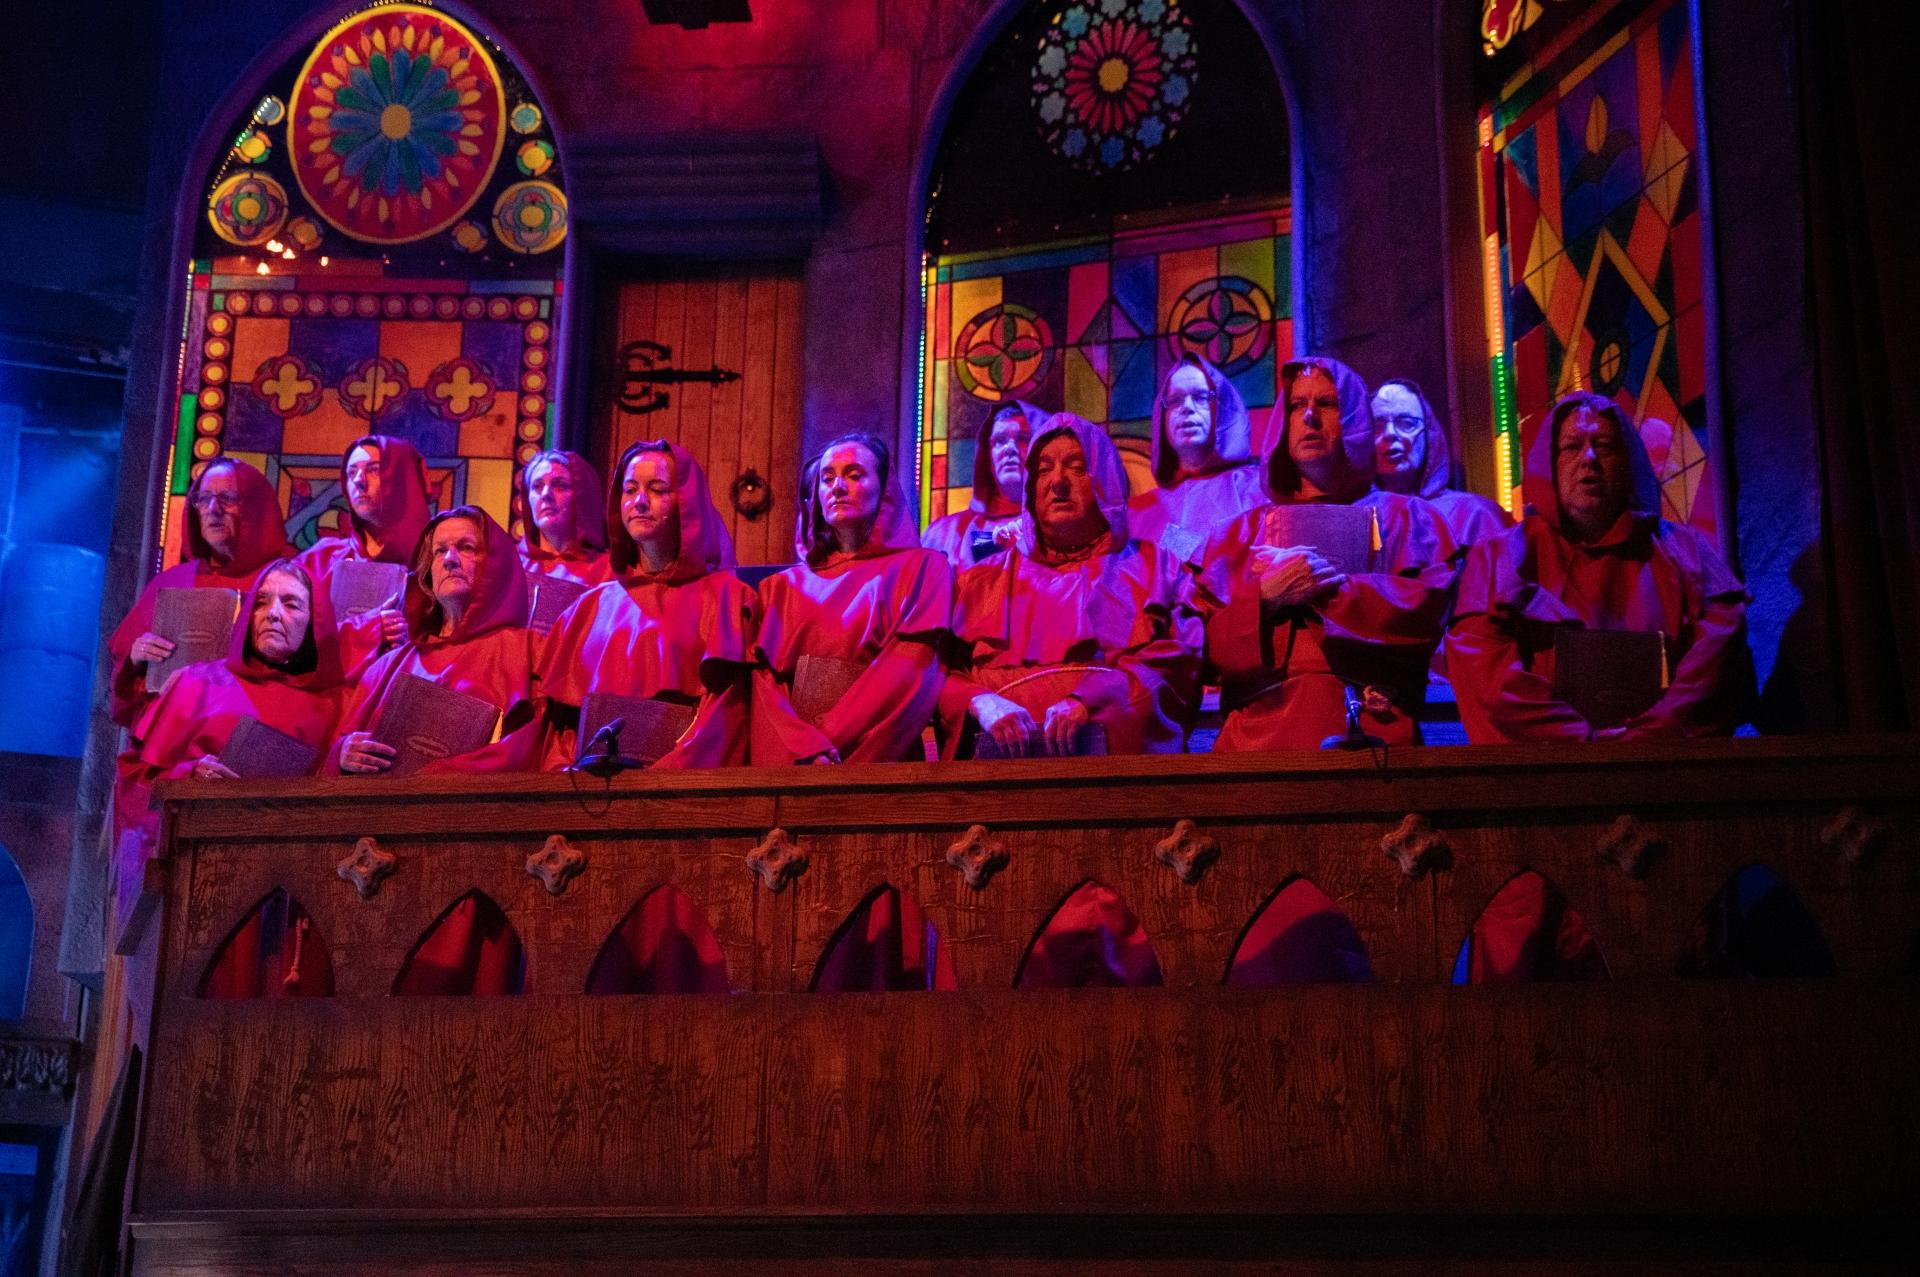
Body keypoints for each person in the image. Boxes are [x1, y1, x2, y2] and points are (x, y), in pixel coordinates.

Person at [1445, 390, 1752, 742]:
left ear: (1627, 461)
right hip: (1547, 767)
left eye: (1604, 446)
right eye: (1572, 447)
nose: (1589, 458)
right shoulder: (1499, 557)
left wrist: (1650, 737)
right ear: (1549, 462)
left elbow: (1716, 659)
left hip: (1663, 762)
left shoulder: (1686, 552)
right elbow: (1486, 673)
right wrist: (1579, 740)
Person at [1191, 356, 1458, 750]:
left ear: (1354, 417)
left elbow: (1424, 615)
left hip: (1375, 737)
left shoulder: (1410, 519)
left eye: (1327, 404)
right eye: (1297, 405)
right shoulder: (1235, 535)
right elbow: (1200, 649)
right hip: (1255, 744)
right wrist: (1265, 599)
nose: (1310, 417)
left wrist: (1323, 586)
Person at [944, 413, 1200, 757]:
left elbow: (1177, 661)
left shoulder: (1158, 567)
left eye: (1077, 468)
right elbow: (941, 674)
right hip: (996, 773)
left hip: (1119, 770)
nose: (1057, 482)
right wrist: (982, 701)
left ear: (1105, 481)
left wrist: (1090, 700)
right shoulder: (980, 582)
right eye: (1043, 470)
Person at [115, 559, 346, 930]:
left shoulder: (338, 703)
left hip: (293, 893)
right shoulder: (195, 683)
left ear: (316, 621)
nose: (272, 614)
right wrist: (188, 777)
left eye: (291, 604)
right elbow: (135, 778)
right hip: (197, 876)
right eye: (261, 602)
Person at [533, 440, 756, 770]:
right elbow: (562, 728)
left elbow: (726, 716)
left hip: (683, 786)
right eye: (630, 489)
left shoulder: (727, 598)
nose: (639, 501)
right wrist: (569, 774)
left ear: (685, 501)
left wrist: (659, 777)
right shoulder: (589, 608)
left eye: (657, 489)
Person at [753, 434, 951, 765]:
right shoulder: (780, 588)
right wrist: (800, 750)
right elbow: (765, 690)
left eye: (855, 475)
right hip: (798, 765)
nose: (838, 487)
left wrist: (825, 746)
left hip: (876, 760)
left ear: (884, 488)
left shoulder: (923, 569)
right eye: (827, 478)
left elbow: (909, 672)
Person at [331, 506, 535, 775]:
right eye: (439, 551)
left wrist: (434, 777)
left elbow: (531, 748)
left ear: (496, 563)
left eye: (466, 548)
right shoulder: (386, 667)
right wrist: (343, 753)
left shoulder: (526, 651)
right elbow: (336, 753)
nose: (450, 559)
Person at [106, 458, 292, 726]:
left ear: (255, 508)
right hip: (174, 732)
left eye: (228, 498)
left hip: (252, 732)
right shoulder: (174, 581)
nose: (213, 509)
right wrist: (137, 657)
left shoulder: (289, 581)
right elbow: (126, 691)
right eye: (204, 499)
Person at [298, 434, 434, 669]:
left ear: (402, 479)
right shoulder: (320, 559)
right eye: (351, 473)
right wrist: (369, 630)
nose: (359, 481)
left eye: (374, 470)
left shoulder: (437, 562)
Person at [1126, 354, 1269, 562]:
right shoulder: (1139, 513)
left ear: (1222, 407)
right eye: (1175, 400)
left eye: (1201, 397)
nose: (1187, 407)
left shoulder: (1260, 489)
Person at [1371, 377, 1508, 546]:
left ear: (1430, 435)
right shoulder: (1358, 519)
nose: (1390, 433)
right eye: (1377, 426)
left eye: (1406, 423)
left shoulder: (1473, 515)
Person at [921, 401, 1042, 568]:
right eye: (1000, 440)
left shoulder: (1058, 530)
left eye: (1022, 439)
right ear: (988, 455)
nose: (1009, 448)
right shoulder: (945, 533)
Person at [518, 449, 613, 586]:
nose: (545, 494)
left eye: (560, 486)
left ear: (582, 497)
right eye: (537, 486)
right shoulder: (511, 565)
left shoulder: (609, 571)